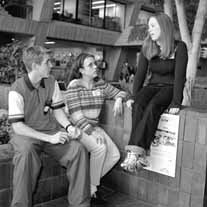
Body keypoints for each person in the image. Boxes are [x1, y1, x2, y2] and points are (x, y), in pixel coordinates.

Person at [8, 46, 90, 207]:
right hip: (25, 136)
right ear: (35, 66)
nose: (51, 65)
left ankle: (81, 204)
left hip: (50, 132)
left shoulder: (52, 83)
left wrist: (68, 127)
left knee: (78, 150)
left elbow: (58, 112)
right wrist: (50, 138)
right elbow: (17, 127)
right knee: (26, 155)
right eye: (47, 62)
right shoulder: (16, 89)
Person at [120, 13, 188, 172]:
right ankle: (137, 154)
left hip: (170, 87)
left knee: (153, 106)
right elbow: (140, 75)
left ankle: (134, 153)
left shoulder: (179, 47)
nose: (149, 30)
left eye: (153, 26)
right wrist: (132, 96)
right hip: (152, 86)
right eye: (149, 26)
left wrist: (176, 103)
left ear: (164, 27)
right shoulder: (147, 46)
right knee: (138, 104)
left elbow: (180, 77)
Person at [64, 53, 130, 204]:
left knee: (114, 155)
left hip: (94, 127)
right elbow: (76, 116)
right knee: (100, 148)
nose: (95, 67)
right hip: (78, 128)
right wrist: (92, 132)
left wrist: (119, 99)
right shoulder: (74, 86)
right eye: (90, 65)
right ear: (81, 70)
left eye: (95, 64)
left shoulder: (99, 83)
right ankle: (91, 191)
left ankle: (87, 185)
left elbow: (121, 92)